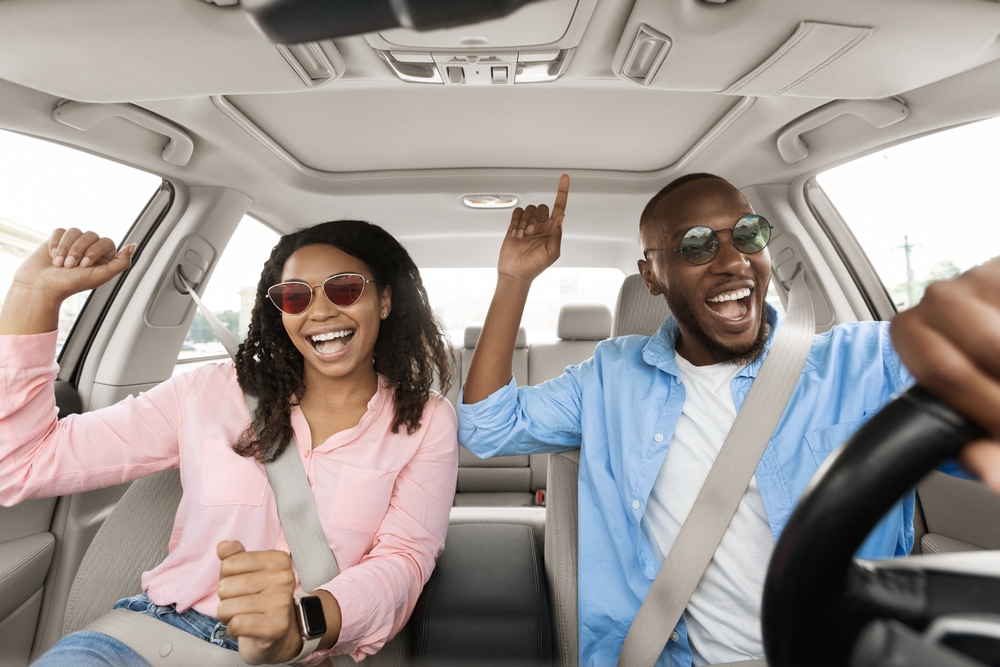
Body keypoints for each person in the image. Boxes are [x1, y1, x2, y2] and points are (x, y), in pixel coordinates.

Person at [458, 172, 1000, 667]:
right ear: (652, 276)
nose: (733, 260)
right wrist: (514, 281)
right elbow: (485, 425)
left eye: (747, 234)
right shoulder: (609, 377)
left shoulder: (862, 360)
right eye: (696, 244)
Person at [0, 220, 458, 666]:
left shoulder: (426, 421)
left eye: (345, 289)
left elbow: (403, 561)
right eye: (297, 297)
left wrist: (299, 626)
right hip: (148, 637)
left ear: (383, 300)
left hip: (297, 652)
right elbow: (25, 462)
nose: (320, 312)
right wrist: (33, 295)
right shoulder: (207, 392)